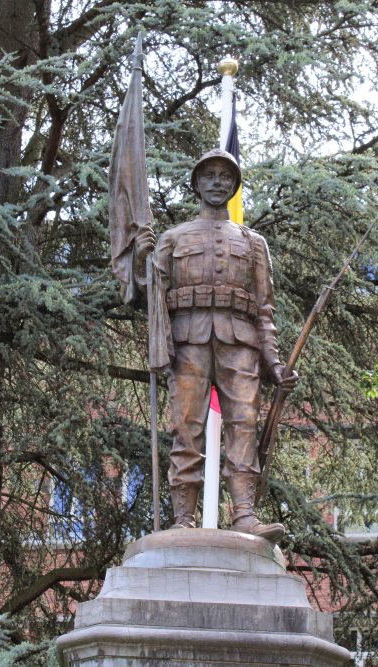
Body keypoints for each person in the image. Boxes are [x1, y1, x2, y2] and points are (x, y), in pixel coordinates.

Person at [141, 149, 298, 542]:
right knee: (186, 428)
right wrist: (139, 260)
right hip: (187, 341)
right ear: (196, 183)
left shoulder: (254, 243)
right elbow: (147, 293)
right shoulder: (171, 238)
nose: (216, 182)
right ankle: (183, 519)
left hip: (240, 344)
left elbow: (264, 308)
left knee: (244, 425)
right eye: (208, 175)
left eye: (224, 177)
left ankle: (245, 514)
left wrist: (274, 363)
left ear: (234, 186)